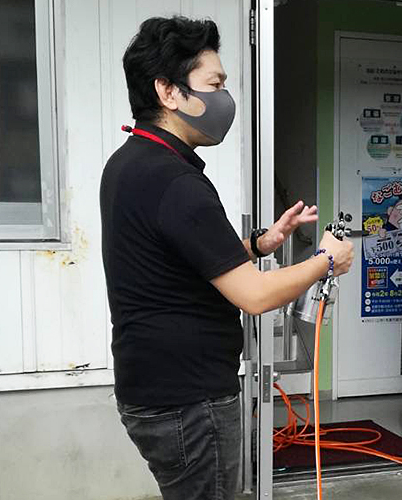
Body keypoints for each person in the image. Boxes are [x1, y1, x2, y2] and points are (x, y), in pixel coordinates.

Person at [100, 16, 354, 500]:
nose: (225, 97)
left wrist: (259, 244)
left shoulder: (130, 163)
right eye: (214, 84)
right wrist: (326, 258)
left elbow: (179, 260)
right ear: (168, 91)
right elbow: (254, 296)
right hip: (188, 400)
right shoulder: (176, 182)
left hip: (154, 388)